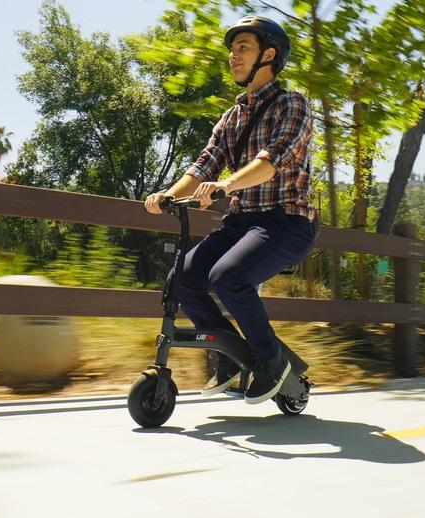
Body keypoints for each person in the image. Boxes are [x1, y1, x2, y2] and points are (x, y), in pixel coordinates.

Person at [144, 16, 318, 405]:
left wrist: (226, 185)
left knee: (228, 277)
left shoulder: (293, 105)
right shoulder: (232, 116)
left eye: (243, 48)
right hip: (242, 222)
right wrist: (167, 195)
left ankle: (271, 361)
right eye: (232, 49)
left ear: (268, 55)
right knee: (180, 281)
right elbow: (204, 165)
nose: (232, 56)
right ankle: (229, 356)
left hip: (287, 222)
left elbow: (271, 161)